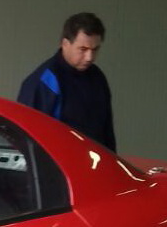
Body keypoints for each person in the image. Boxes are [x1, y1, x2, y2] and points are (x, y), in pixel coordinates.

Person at [17, 12, 116, 151]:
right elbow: (28, 139)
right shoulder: (43, 81)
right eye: (83, 49)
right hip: (58, 163)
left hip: (94, 161)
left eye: (95, 49)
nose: (89, 57)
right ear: (65, 44)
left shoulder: (98, 78)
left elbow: (107, 131)